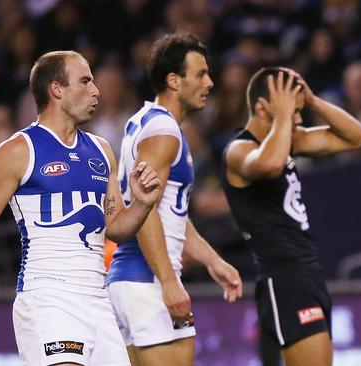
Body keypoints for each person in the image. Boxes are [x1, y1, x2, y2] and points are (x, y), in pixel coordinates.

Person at [0, 50, 162, 365]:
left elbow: (116, 229)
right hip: (48, 298)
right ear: (57, 90)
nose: (96, 90)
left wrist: (141, 204)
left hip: (98, 301)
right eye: (85, 81)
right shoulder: (18, 151)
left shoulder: (102, 151)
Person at [106, 33, 243, 366]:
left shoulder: (144, 122)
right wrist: (168, 281)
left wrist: (212, 260)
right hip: (148, 280)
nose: (209, 82)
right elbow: (146, 209)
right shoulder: (165, 134)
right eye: (200, 74)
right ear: (173, 80)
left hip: (131, 281)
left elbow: (170, 211)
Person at [222, 67, 361, 366]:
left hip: (309, 273)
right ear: (263, 108)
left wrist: (313, 102)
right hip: (283, 278)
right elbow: (272, 164)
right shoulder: (238, 150)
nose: (299, 119)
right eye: (294, 112)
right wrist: (286, 116)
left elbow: (356, 136)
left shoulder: (287, 141)